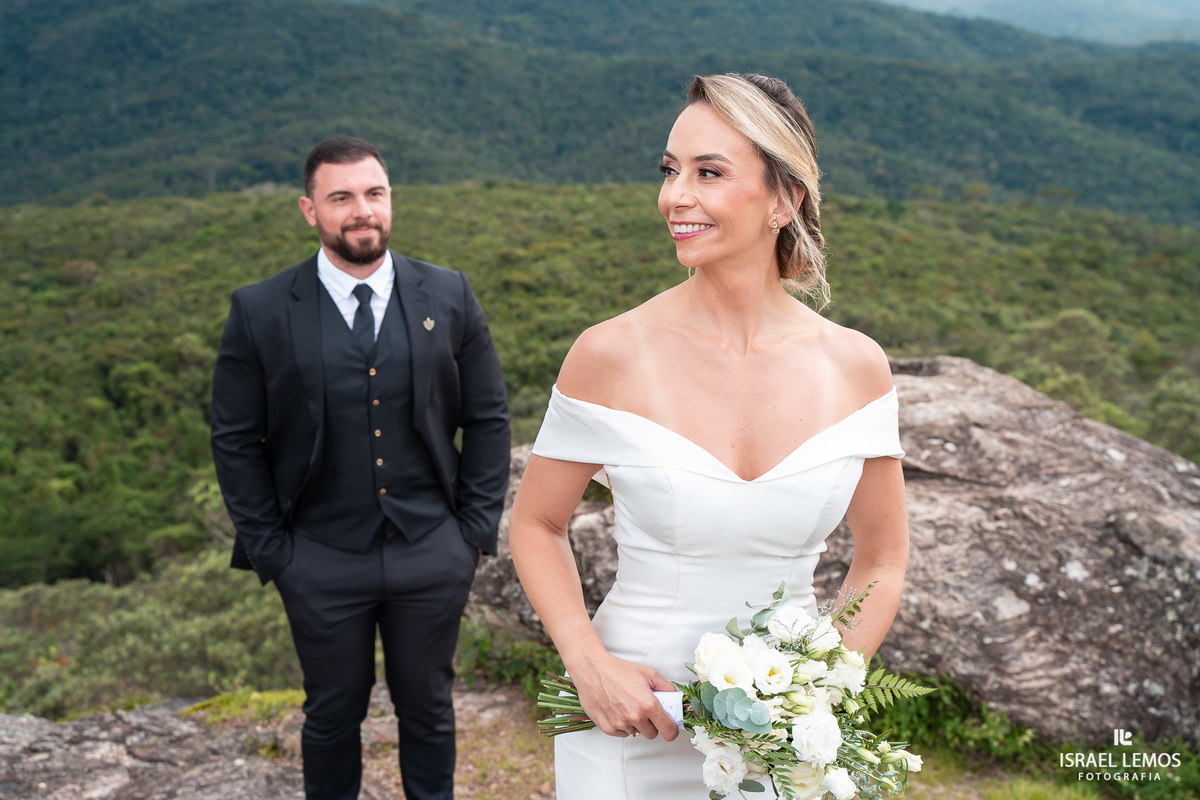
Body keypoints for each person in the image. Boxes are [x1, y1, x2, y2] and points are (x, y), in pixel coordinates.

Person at [508, 74, 909, 799]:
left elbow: (883, 558)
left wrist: (817, 694)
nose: (675, 197)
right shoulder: (609, 354)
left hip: (784, 744)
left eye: (709, 173)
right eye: (670, 171)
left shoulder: (857, 367)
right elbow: (536, 522)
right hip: (634, 717)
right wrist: (587, 663)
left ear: (783, 200)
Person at [210, 136, 510, 800]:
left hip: (431, 549)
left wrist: (471, 534)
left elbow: (488, 416)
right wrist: (273, 551)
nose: (361, 210)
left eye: (374, 194)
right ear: (309, 210)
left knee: (429, 710)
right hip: (317, 556)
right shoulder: (259, 311)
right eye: (341, 197)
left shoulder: (450, 294)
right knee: (332, 715)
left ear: (390, 200)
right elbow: (234, 439)